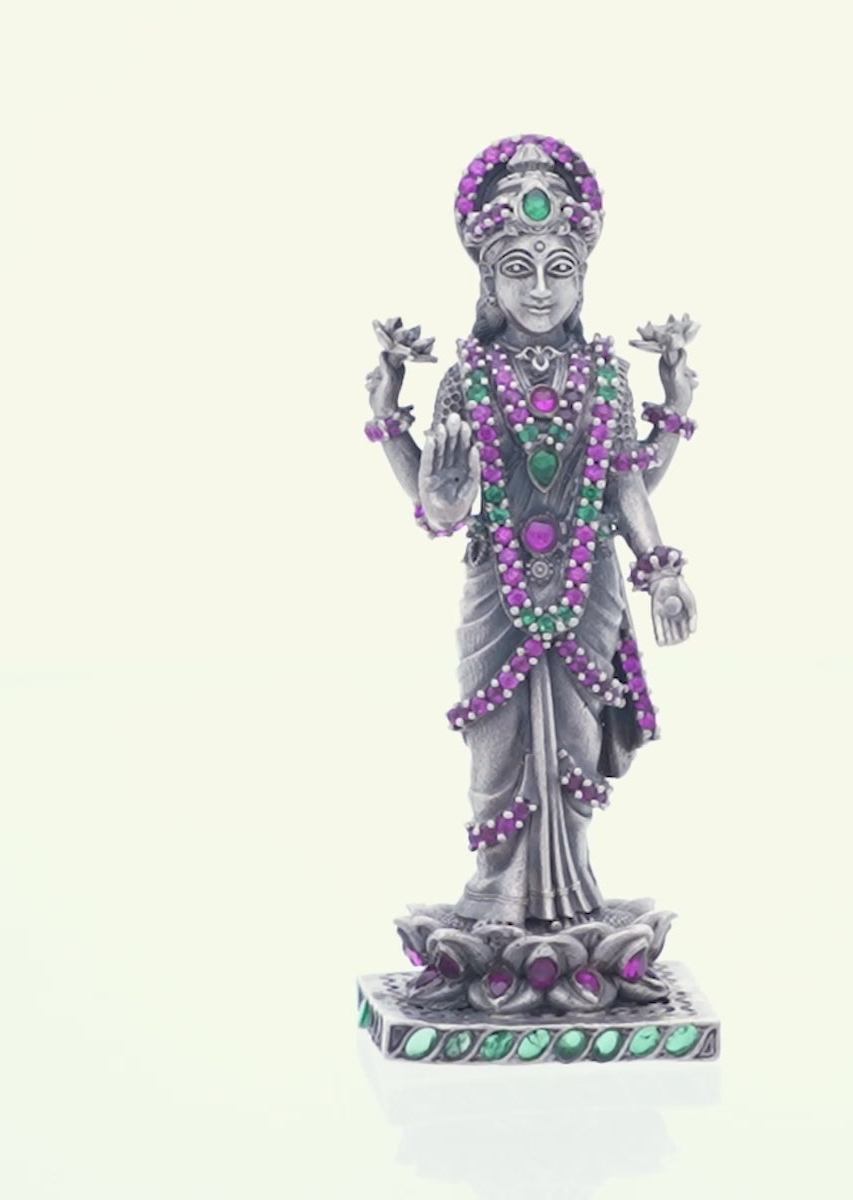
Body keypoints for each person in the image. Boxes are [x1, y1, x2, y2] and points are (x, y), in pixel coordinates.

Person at [363, 135, 698, 929]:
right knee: (494, 741)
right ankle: (496, 894)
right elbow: (441, 510)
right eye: (519, 269)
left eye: (559, 270)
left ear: (583, 277)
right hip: (498, 589)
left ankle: (572, 896)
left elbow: (622, 484)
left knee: (577, 745)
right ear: (489, 279)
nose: (541, 290)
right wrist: (411, 445)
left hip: (588, 587)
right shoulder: (468, 378)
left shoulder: (605, 376)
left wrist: (662, 570)